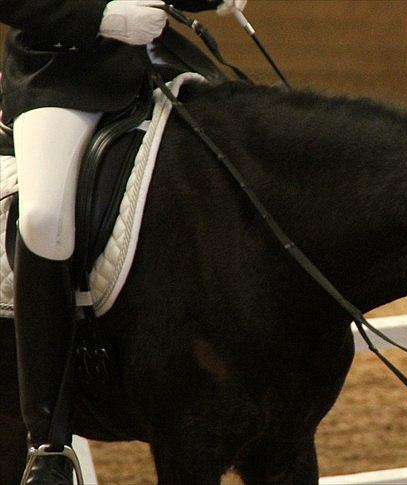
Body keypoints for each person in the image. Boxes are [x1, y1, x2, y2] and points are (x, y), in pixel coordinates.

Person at [0, 1, 243, 482]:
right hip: (62, 76)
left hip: (163, 64)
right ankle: (48, 442)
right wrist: (99, 16)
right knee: (45, 218)